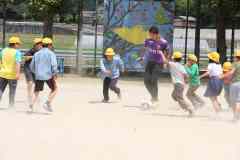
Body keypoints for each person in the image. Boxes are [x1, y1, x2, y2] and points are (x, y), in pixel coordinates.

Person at [140, 26, 170, 105]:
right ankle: (154, 97)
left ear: (156, 34)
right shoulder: (148, 40)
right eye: (149, 34)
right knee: (146, 81)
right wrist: (142, 57)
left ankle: (154, 98)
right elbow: (145, 49)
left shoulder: (163, 42)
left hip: (159, 63)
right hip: (150, 63)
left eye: (152, 34)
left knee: (153, 80)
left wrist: (165, 62)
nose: (150, 36)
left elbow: (167, 52)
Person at [30, 37, 58, 112]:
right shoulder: (51, 53)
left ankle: (31, 105)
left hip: (38, 75)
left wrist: (36, 73)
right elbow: (54, 65)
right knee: (55, 89)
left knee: (36, 91)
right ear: (50, 45)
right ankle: (47, 103)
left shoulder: (36, 54)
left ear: (42, 44)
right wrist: (55, 73)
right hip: (48, 75)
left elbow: (32, 66)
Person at [162, 51, 193, 116]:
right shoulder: (181, 66)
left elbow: (165, 61)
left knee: (179, 98)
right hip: (180, 84)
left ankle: (189, 108)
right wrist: (186, 80)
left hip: (178, 84)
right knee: (173, 96)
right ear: (180, 59)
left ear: (174, 59)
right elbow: (186, 75)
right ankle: (184, 104)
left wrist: (162, 53)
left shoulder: (172, 64)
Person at [0, 36, 22, 108]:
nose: (19, 45)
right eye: (18, 44)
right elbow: (17, 63)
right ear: (15, 44)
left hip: (2, 74)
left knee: (1, 89)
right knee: (12, 91)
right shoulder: (17, 52)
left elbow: (0, 62)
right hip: (12, 75)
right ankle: (11, 106)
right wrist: (18, 73)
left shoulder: (3, 51)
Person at [24, 38, 42, 105]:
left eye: (41, 44)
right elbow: (26, 57)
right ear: (35, 45)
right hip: (28, 68)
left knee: (38, 84)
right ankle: (29, 96)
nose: (40, 45)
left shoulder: (42, 51)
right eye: (38, 44)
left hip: (35, 70)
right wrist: (34, 56)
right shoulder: (31, 50)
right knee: (30, 83)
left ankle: (36, 97)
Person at [229, 51, 240, 121]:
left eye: (234, 56)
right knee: (239, 101)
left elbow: (231, 72)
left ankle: (235, 116)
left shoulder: (235, 64)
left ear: (236, 57)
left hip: (235, 84)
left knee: (233, 101)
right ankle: (237, 116)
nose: (233, 58)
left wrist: (224, 77)